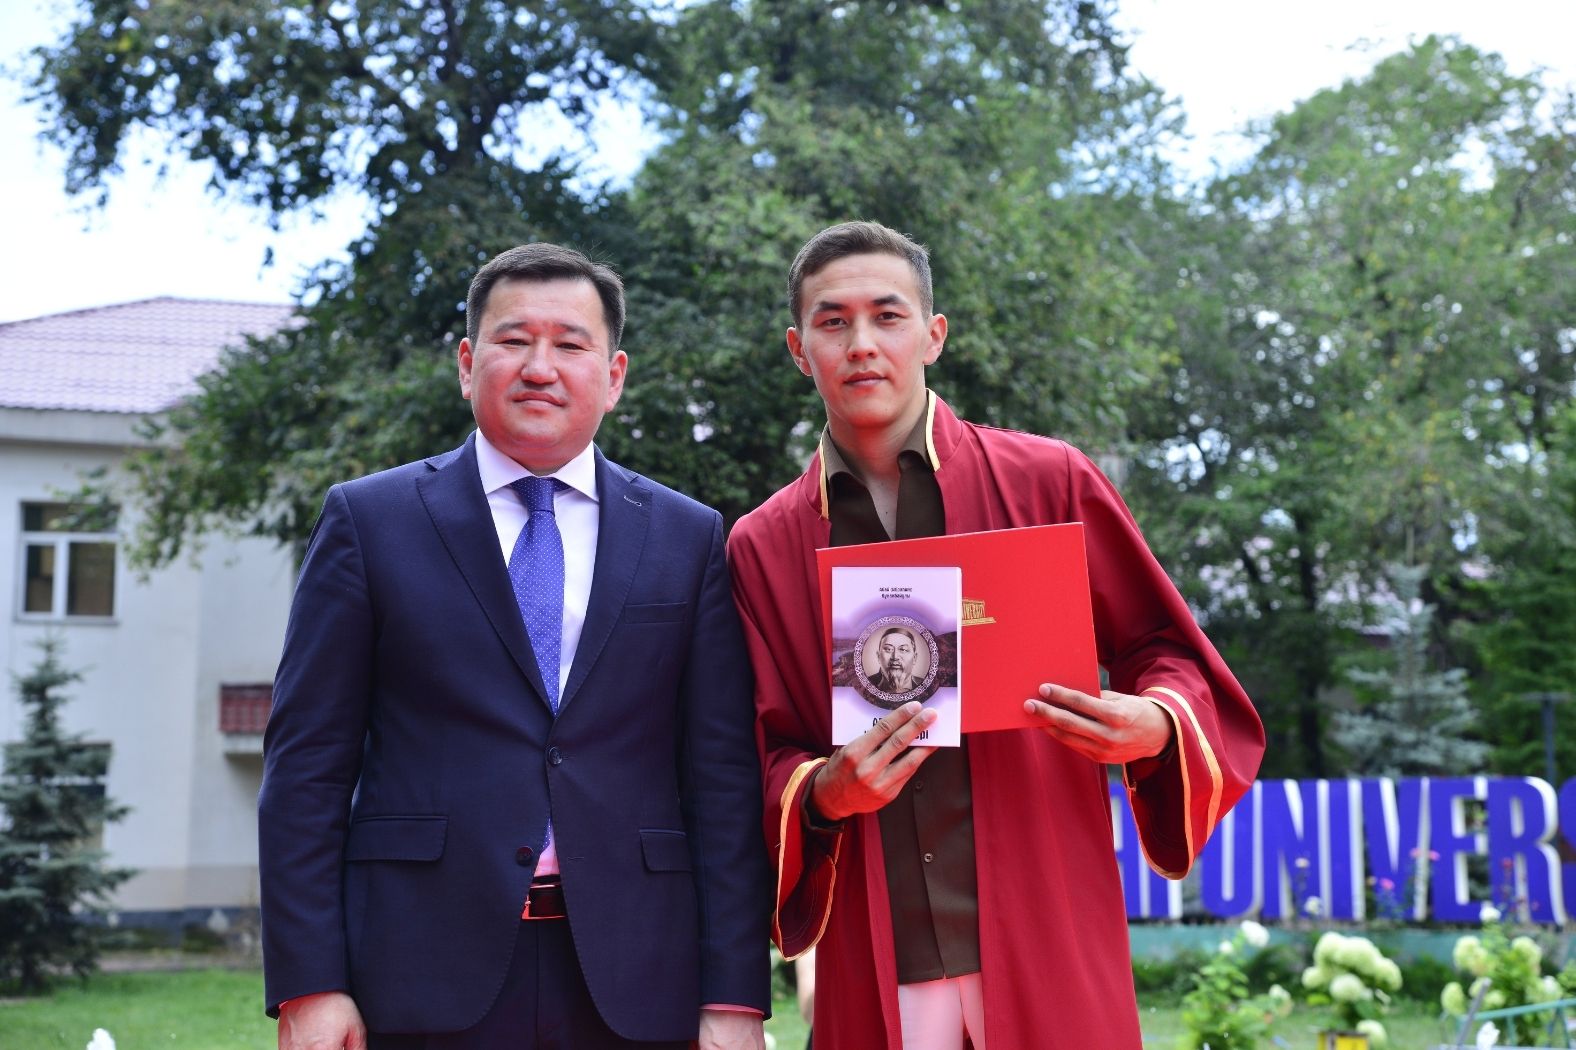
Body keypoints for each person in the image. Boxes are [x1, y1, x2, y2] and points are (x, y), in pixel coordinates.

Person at [727, 221, 1265, 1050]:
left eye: (888, 316)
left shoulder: (1049, 483)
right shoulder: (763, 547)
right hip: (877, 939)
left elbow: (1166, 647)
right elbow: (753, 752)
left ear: (933, 335)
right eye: (833, 322)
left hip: (1044, 917)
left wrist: (1156, 722)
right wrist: (825, 792)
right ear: (800, 350)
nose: (861, 343)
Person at [259, 243, 771, 1050]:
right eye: (513, 340)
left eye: (570, 344)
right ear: (468, 364)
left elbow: (722, 782)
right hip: (418, 974)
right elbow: (306, 769)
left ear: (614, 376)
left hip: (638, 980)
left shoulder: (688, 536)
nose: (540, 367)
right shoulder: (371, 522)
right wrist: (310, 983)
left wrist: (735, 994)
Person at [867, 627, 921, 694]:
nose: (895, 657)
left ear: (914, 658)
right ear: (878, 656)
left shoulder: (926, 687)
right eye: (888, 649)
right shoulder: (866, 684)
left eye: (903, 649)